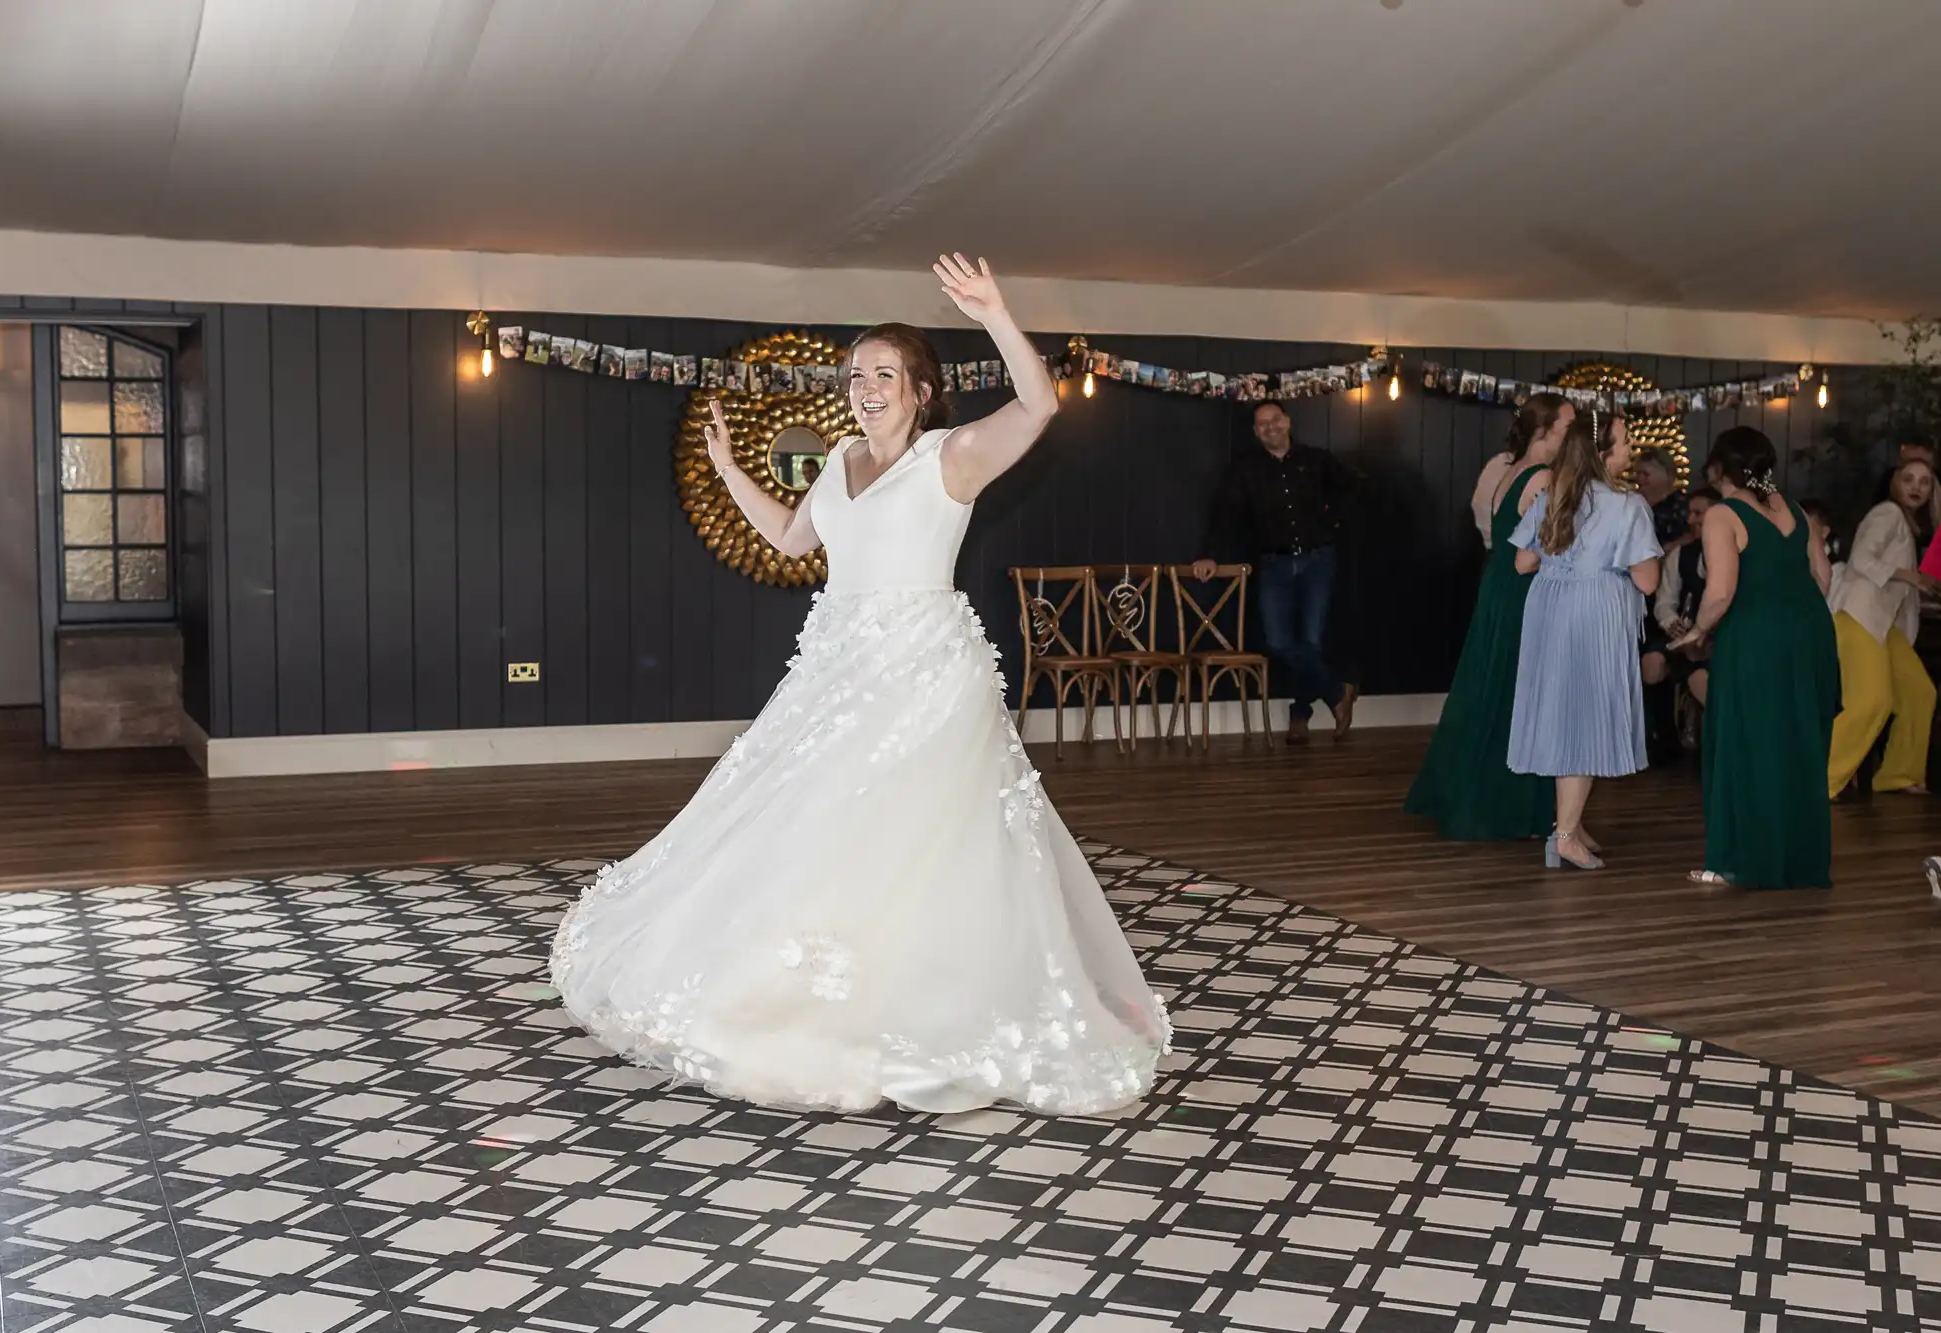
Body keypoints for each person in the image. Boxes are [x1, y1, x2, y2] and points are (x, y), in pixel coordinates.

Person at [550, 255, 1170, 1115]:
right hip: (837, 666)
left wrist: (995, 311)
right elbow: (796, 539)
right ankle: (806, 986)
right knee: (810, 823)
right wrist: (731, 471)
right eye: (856, 375)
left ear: (921, 390)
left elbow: (1040, 406)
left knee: (912, 837)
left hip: (924, 673)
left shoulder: (951, 457)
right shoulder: (839, 457)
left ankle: (916, 1003)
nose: (866, 387)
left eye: (885, 374)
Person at [1669, 427, 1839, 889]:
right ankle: (1800, 861)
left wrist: (1697, 634)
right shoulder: (1796, 510)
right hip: (1809, 634)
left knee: (1744, 741)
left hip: (1757, 636)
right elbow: (1822, 578)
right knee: (1799, 746)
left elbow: (1721, 592)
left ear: (1721, 468)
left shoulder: (1725, 514)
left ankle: (1735, 859)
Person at [1404, 393, 1571, 840]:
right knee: (1516, 693)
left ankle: (1477, 791)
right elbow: (1538, 552)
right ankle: (1504, 803)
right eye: (1567, 425)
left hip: (1497, 583)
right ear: (1545, 430)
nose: (1573, 434)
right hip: (1520, 588)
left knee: (1493, 686)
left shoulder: (1507, 470)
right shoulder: (1543, 478)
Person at [1508, 411, 1662, 870]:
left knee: (1564, 716)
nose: (1632, 449)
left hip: (1550, 610)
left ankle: (1569, 824)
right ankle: (1566, 833)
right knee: (1585, 720)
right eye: (1626, 442)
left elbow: (1522, 564)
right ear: (1603, 453)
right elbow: (1649, 581)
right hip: (1595, 614)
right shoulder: (1627, 505)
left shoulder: (1551, 494)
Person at [1192, 401, 1360, 745]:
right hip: (1274, 564)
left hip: (1318, 560)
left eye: (1275, 420)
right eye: (1261, 424)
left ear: (1287, 422)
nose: (1269, 427)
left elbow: (1352, 488)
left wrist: (1334, 520)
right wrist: (1209, 555)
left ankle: (1299, 716)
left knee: (1310, 640)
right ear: (1255, 432)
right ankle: (1336, 692)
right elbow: (1225, 514)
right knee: (1280, 642)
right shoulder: (1245, 469)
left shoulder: (1317, 459)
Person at [1826, 459, 1940, 799]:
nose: (1917, 487)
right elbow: (1861, 559)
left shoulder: (1909, 525)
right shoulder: (1887, 513)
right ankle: (1817, 779)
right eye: (1909, 479)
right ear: (1894, 483)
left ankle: (1897, 774)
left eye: (1925, 482)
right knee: (1871, 701)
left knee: (1920, 693)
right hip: (1859, 614)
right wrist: (1912, 576)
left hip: (1883, 625)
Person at [1640, 487, 1719, 754]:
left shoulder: (1736, 553)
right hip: (1682, 634)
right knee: (1651, 663)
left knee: (1701, 679)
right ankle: (1661, 741)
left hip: (1718, 641)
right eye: (1690, 513)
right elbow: (1664, 603)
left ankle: (1711, 747)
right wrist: (1677, 628)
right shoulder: (1681, 555)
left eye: (1699, 513)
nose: (1690, 520)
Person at [1634, 448, 1691, 550]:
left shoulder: (1683, 506)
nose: (1639, 479)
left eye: (1646, 474)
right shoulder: (1634, 504)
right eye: (1638, 473)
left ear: (1668, 475)